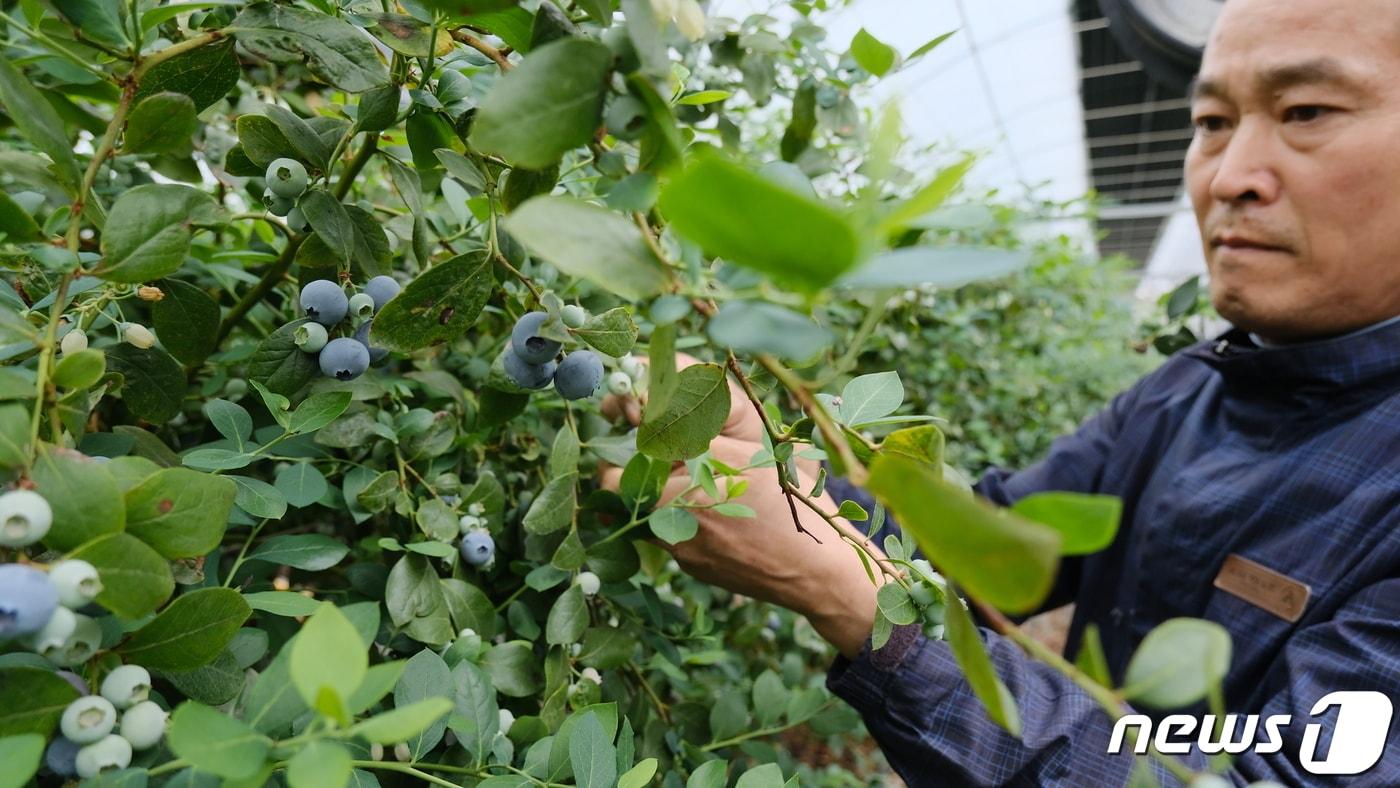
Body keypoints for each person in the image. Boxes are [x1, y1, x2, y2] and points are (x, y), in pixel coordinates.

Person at [608, 0, 1400, 784]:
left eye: (1306, 111)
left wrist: (852, 600)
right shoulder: (1185, 391)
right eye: (1211, 122)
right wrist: (787, 476)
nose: (1229, 177)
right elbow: (985, 549)